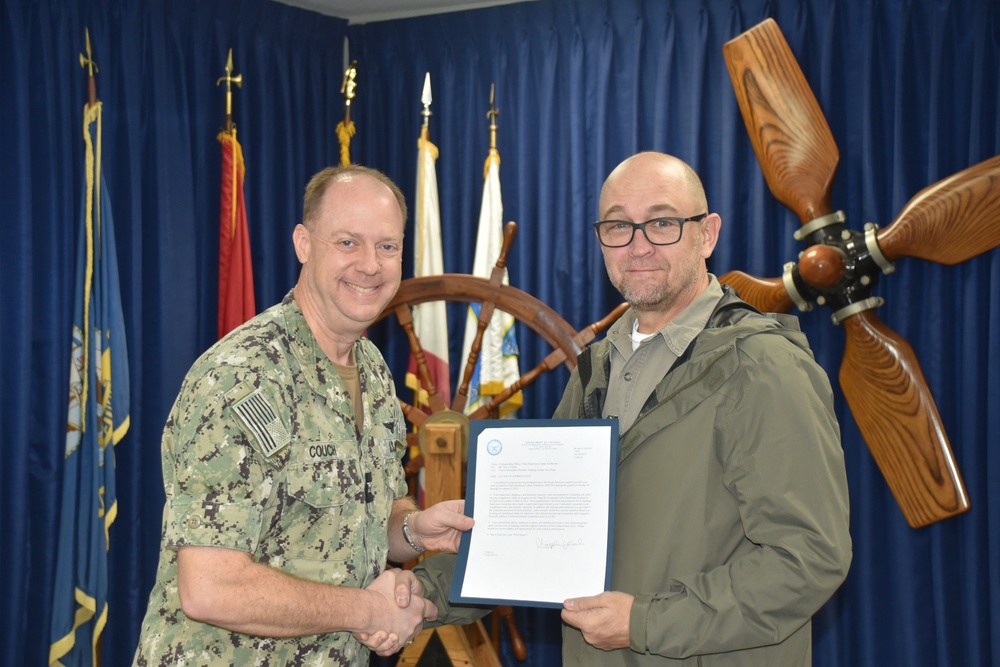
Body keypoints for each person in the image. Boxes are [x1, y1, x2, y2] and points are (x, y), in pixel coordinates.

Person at [414, 151, 852, 665]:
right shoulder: (593, 370)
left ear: (707, 234)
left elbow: (807, 559)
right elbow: (535, 537)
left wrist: (644, 622)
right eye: (619, 226)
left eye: (662, 223)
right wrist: (423, 594)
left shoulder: (763, 367)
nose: (638, 246)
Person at [133, 164, 474, 666]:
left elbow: (356, 519)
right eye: (347, 243)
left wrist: (412, 529)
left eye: (387, 246)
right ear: (303, 243)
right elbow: (211, 587)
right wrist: (367, 610)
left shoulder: (374, 371)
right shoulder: (242, 376)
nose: (370, 265)